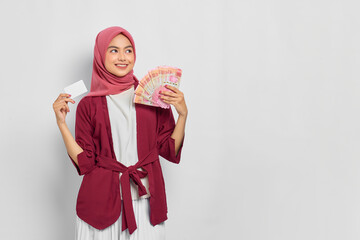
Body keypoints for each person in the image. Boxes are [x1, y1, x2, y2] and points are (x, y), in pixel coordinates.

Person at [52, 26, 187, 240]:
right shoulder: (88, 105)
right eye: (113, 50)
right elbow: (85, 162)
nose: (122, 57)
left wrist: (182, 115)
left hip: (147, 202)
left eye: (128, 50)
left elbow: (169, 149)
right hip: (102, 205)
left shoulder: (153, 97)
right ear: (100, 55)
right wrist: (61, 124)